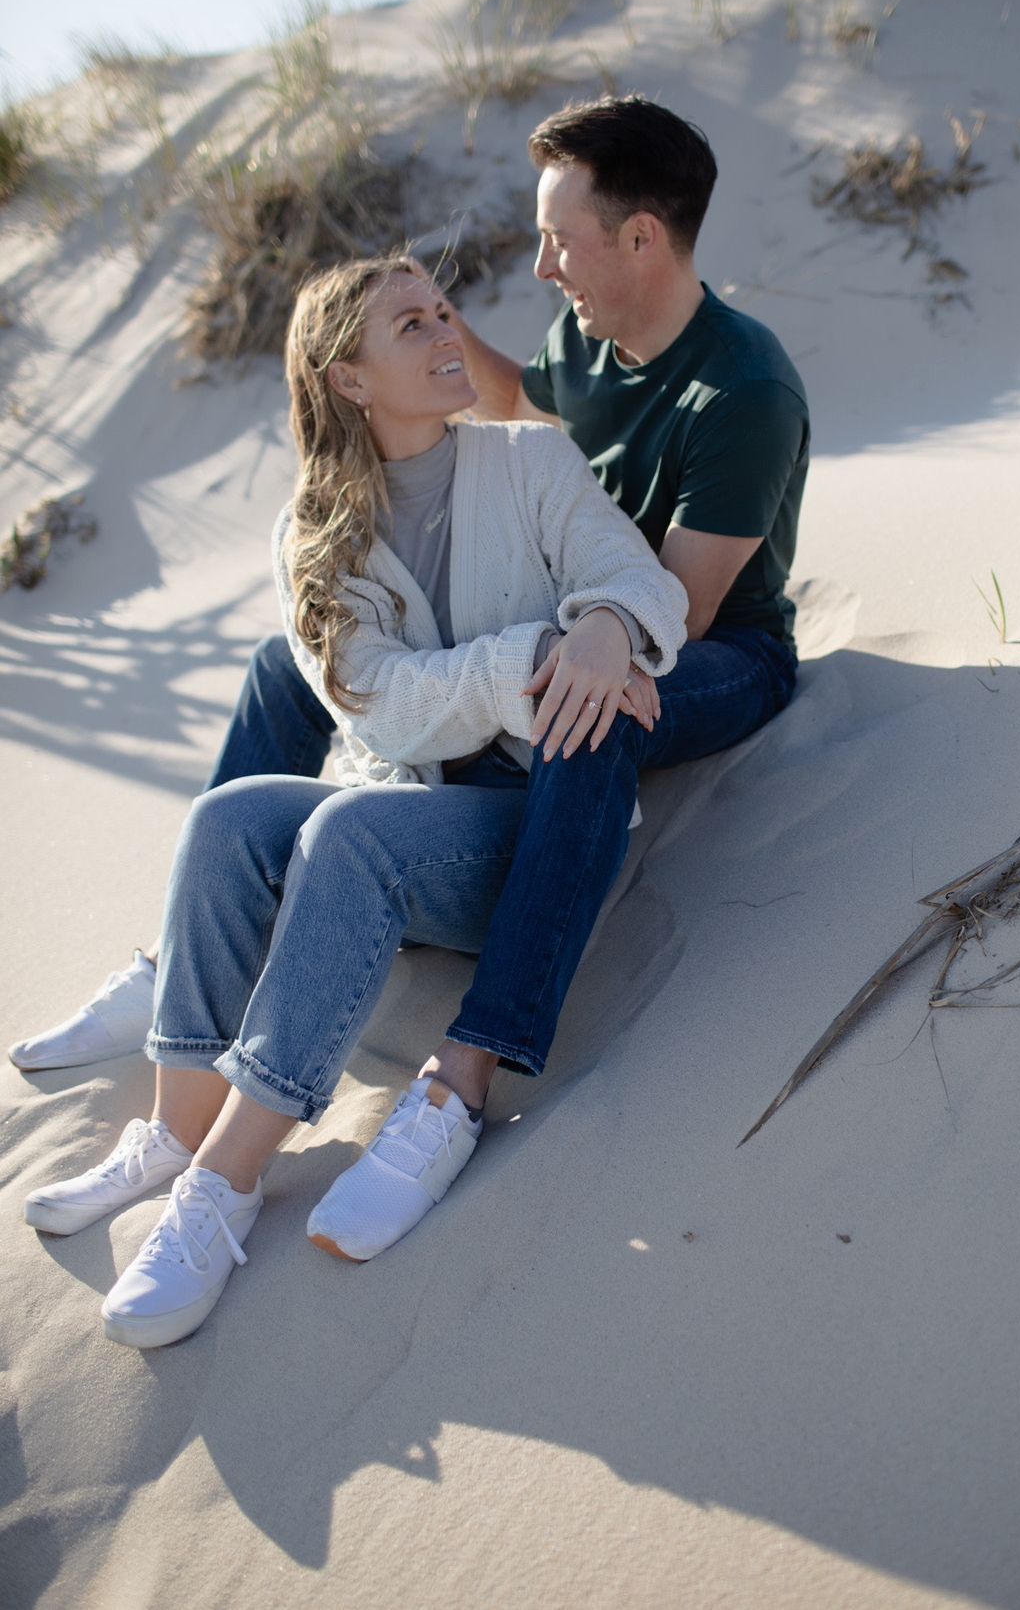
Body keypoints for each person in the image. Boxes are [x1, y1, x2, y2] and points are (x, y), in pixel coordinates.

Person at [9, 93, 810, 1073]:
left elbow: (672, 611)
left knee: (583, 701)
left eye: (559, 239)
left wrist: (571, 643)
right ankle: (184, 962)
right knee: (282, 664)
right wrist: (423, 322)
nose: (542, 264)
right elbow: (519, 401)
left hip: (720, 647)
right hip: (575, 608)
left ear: (640, 237)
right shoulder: (590, 336)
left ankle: (479, 1051)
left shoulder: (742, 392)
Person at [24, 255, 689, 1347]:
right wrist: (534, 652)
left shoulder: (529, 459)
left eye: (443, 311)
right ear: (349, 381)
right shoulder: (314, 533)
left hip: (537, 843)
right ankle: (176, 1126)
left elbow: (639, 576)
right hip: (416, 813)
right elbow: (377, 705)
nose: (446, 333)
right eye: (410, 324)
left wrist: (609, 627)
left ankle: (221, 1192)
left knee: (347, 828)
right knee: (227, 816)